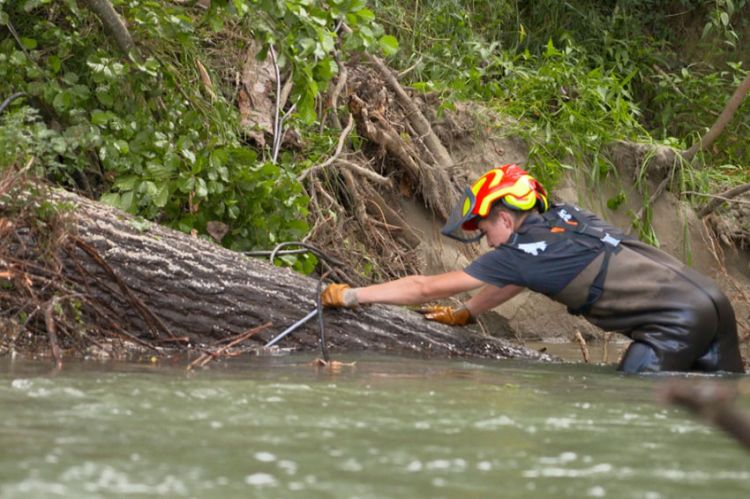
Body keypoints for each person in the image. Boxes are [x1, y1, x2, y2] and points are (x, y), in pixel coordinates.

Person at [321, 164, 745, 374]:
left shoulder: (519, 251)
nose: (486, 237)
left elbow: (425, 287)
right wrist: (470, 311)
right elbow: (520, 277)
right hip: (711, 303)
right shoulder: (565, 215)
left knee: (632, 401)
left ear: (505, 218)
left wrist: (354, 295)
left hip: (674, 324)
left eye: (485, 226)